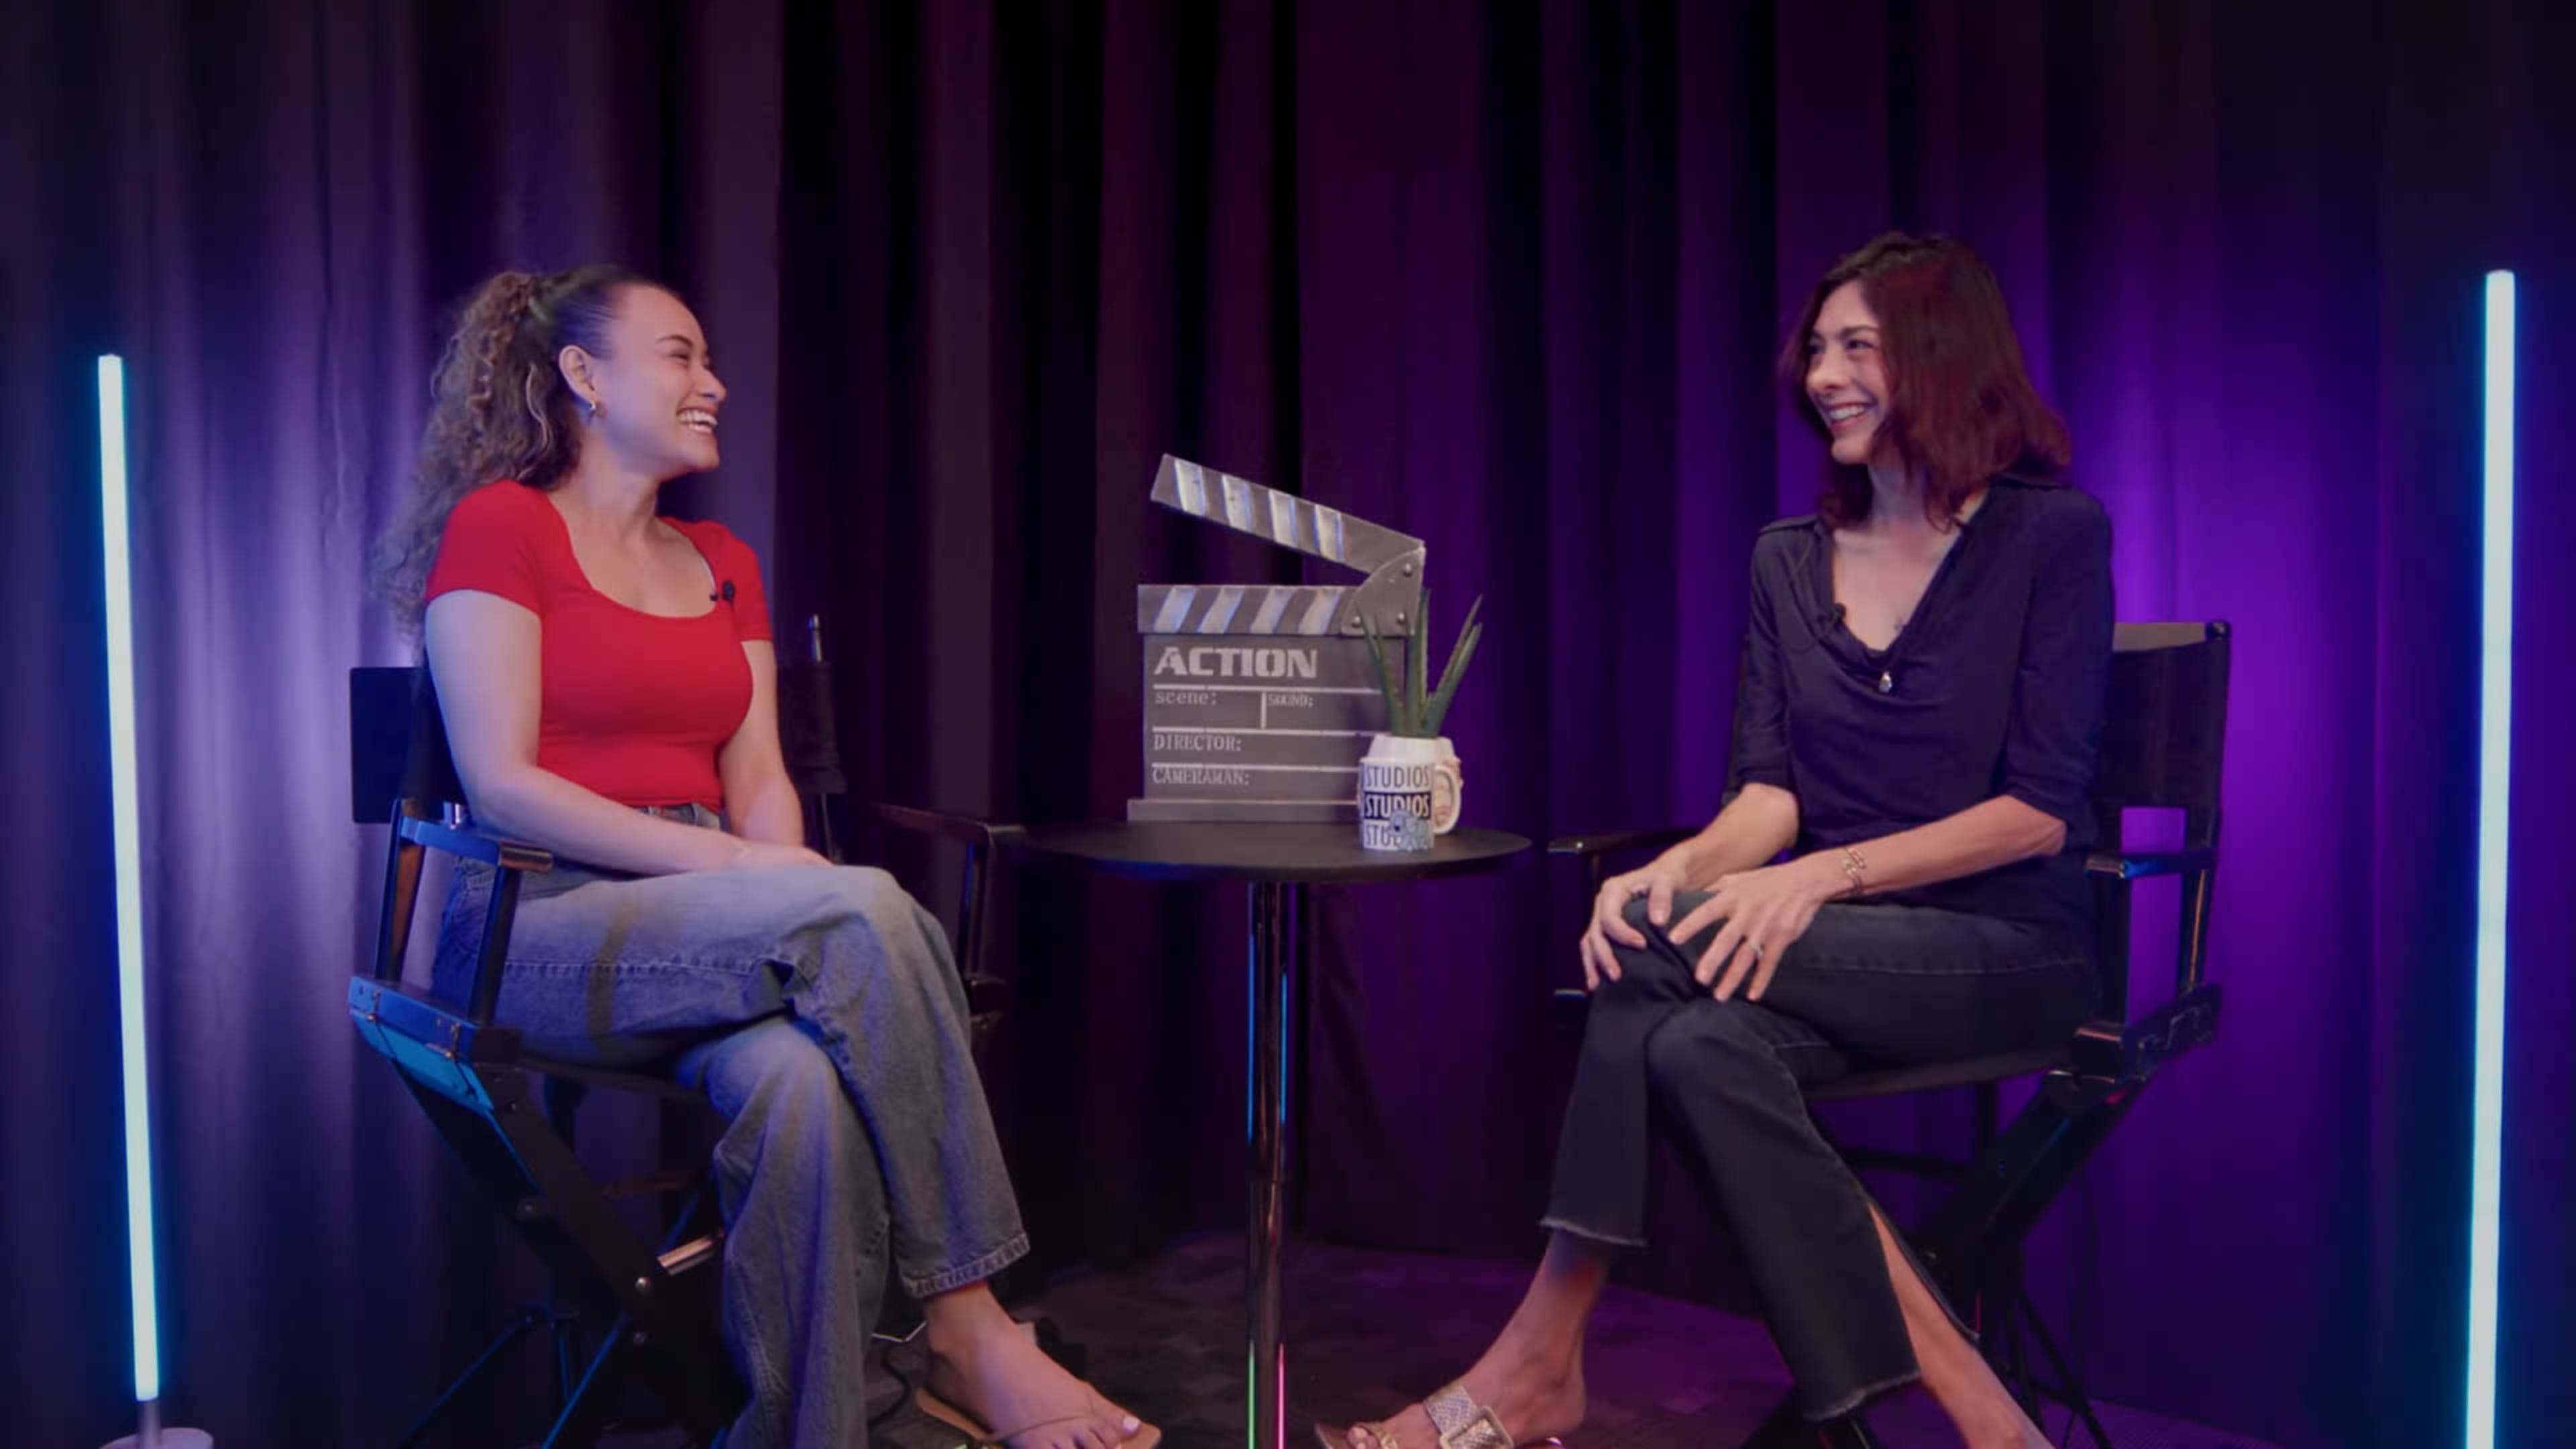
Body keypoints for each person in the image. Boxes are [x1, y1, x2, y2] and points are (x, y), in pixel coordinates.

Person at [1322, 233, 2111, 1449]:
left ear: (1944, 358)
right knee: (1696, 1045)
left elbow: (2042, 809)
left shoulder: (2050, 539)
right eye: (1817, 349)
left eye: (1861, 346)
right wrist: (1676, 872)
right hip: (1830, 941)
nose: (1824, 374)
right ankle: (1979, 1417)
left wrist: (1816, 881)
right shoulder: (1785, 562)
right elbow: (1768, 798)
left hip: (2008, 949)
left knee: (1651, 959)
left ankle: (1536, 1366)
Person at [373, 264, 1160, 1449]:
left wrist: (770, 874)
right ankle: (970, 1321)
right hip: (534, 917)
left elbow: (760, 786)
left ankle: (809, 1433)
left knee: (800, 1083)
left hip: (713, 919)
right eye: (680, 355)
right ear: (583, 376)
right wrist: (757, 881)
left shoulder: (722, 558)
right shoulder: (504, 528)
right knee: (863, 913)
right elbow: (504, 786)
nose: (717, 384)